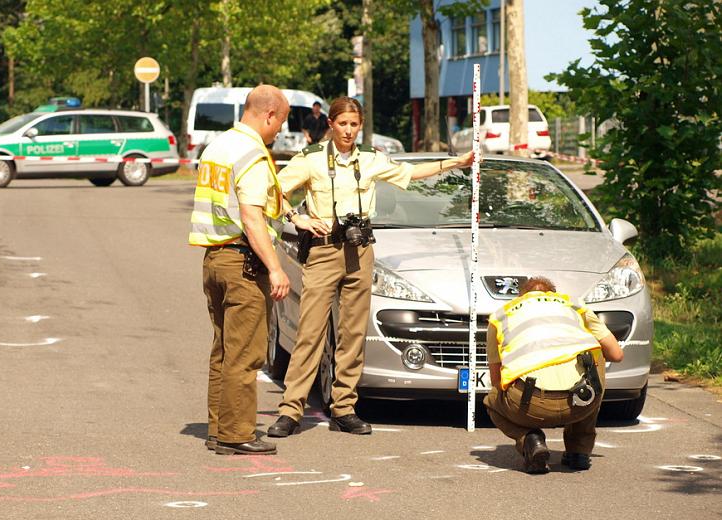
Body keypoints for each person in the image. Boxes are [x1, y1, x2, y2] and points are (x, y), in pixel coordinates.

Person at [268, 96, 474, 438]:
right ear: (331, 124)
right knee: (311, 331)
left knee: (353, 333)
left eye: (354, 124)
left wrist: (455, 162)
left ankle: (344, 408)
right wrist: (297, 217)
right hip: (323, 250)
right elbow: (273, 188)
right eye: (343, 124)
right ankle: (291, 410)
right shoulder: (312, 160)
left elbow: (410, 173)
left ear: (360, 126)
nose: (348, 131)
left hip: (360, 251)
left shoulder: (371, 159)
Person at [189, 85, 323, 455]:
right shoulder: (252, 154)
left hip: (215, 259)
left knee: (223, 351)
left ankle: (220, 427)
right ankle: (237, 434)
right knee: (245, 354)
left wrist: (294, 215)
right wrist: (276, 268)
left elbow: (257, 203)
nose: (279, 131)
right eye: (279, 122)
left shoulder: (218, 146)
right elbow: (251, 216)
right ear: (268, 115)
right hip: (243, 263)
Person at [484, 277, 624, 474]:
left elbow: (497, 381)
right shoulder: (574, 306)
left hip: (529, 404)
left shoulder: (500, 316)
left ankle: (530, 440)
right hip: (581, 400)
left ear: (521, 297)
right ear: (553, 294)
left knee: (492, 402)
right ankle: (579, 451)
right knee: (594, 355)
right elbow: (616, 354)